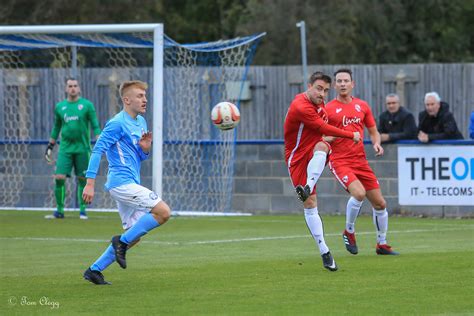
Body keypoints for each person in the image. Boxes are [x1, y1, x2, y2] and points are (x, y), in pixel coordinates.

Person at [82, 80, 171, 285]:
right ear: (126, 99)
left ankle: (94, 270)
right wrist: (90, 182)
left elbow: (139, 157)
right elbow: (98, 150)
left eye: (145, 96)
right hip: (120, 183)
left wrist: (145, 148)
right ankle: (119, 243)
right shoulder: (116, 123)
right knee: (163, 212)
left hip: (130, 181)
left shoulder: (141, 122)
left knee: (134, 236)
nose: (145, 99)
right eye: (140, 96)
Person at [284, 71, 361, 272]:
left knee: (322, 147)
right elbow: (321, 126)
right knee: (310, 205)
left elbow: (323, 134)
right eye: (319, 88)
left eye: (326, 90)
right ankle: (324, 250)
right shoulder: (300, 105)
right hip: (297, 158)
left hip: (314, 151)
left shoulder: (320, 107)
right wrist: (349, 134)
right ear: (309, 86)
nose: (322, 94)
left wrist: (332, 137)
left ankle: (307, 186)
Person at [325, 68, 399, 256]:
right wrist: (331, 137)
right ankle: (349, 231)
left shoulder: (362, 106)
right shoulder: (327, 108)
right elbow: (320, 134)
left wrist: (377, 144)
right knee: (359, 193)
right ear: (334, 85)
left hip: (360, 161)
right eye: (339, 81)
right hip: (339, 160)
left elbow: (373, 131)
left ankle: (382, 244)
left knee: (380, 204)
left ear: (352, 84)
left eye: (345, 81)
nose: (342, 84)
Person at [44, 78, 101, 220]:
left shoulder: (87, 105)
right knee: (59, 177)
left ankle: (82, 210)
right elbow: (57, 127)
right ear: (66, 88)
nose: (73, 88)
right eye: (70, 86)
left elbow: (95, 124)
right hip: (65, 148)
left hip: (83, 148)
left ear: (79, 88)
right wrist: (50, 145)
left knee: (83, 179)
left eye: (75, 86)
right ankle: (60, 210)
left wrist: (100, 138)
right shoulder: (60, 107)